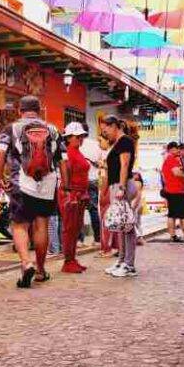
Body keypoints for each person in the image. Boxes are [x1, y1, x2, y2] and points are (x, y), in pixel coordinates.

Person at [0, 95, 65, 288]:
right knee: (41, 226)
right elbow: (62, 159)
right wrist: (64, 185)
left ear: (20, 111)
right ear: (40, 110)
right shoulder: (52, 129)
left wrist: (0, 177)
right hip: (47, 185)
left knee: (20, 225)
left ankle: (26, 263)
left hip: (21, 184)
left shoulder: (12, 129)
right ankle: (41, 271)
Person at [99, 115, 139, 277]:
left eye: (106, 129)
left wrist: (121, 187)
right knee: (120, 225)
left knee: (127, 225)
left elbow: (125, 165)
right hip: (116, 186)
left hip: (123, 185)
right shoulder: (116, 144)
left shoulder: (125, 141)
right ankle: (122, 260)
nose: (104, 133)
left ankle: (129, 264)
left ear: (114, 126)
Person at [59, 122, 91, 273]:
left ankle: (72, 258)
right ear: (69, 138)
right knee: (69, 228)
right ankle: (68, 261)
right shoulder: (68, 152)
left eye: (82, 136)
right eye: (77, 136)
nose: (80, 139)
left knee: (76, 228)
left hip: (80, 194)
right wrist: (70, 194)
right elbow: (66, 172)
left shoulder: (77, 151)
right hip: (72, 194)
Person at [161, 141, 184, 242]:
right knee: (183, 214)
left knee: (172, 214)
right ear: (171, 149)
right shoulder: (171, 159)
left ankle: (173, 235)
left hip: (171, 190)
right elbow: (176, 173)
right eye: (176, 149)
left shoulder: (168, 159)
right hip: (176, 190)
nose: (178, 151)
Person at [80, 125, 103, 246]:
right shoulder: (96, 144)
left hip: (80, 180)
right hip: (93, 180)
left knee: (78, 210)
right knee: (93, 210)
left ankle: (80, 240)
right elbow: (101, 162)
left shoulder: (78, 144)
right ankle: (98, 239)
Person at [96, 134, 116, 258]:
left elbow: (107, 175)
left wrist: (103, 191)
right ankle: (107, 247)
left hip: (107, 188)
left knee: (106, 219)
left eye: (101, 141)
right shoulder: (106, 154)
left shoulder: (109, 155)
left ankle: (107, 248)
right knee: (106, 219)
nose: (99, 144)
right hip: (105, 187)